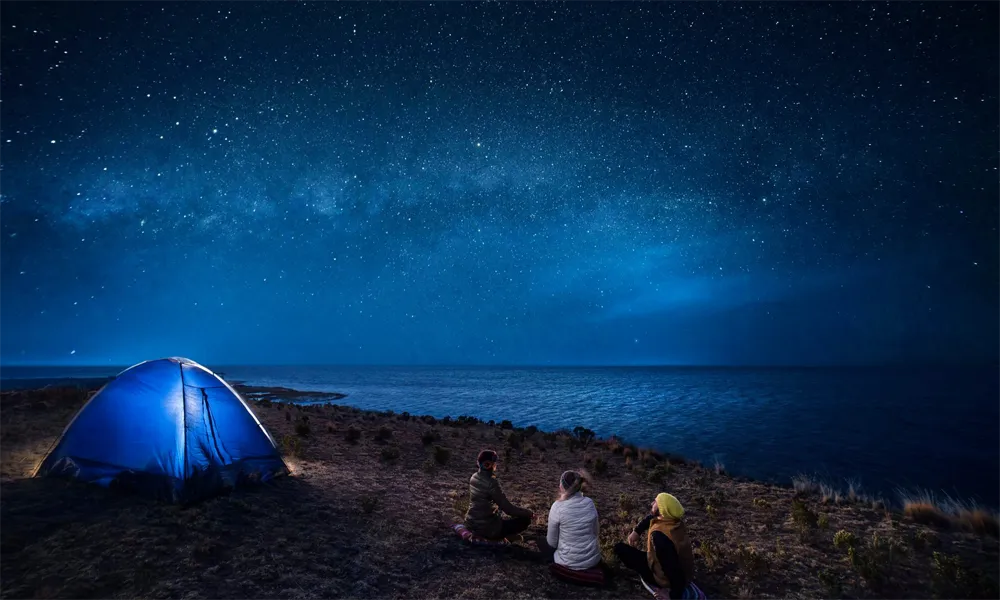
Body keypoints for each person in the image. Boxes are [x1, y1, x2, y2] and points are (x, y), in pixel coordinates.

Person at [614, 492, 697, 600]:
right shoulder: (674, 521)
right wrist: (637, 531)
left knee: (620, 549)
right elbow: (651, 517)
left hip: (664, 578)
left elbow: (672, 569)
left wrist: (672, 595)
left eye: (656, 502)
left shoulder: (660, 537)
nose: (652, 503)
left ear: (662, 510)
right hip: (685, 573)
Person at [536, 470, 601, 569]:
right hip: (592, 560)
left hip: (567, 561)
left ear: (562, 487)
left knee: (540, 541)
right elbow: (595, 532)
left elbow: (552, 543)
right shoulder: (590, 503)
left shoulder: (557, 506)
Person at [464, 449, 533, 540]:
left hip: (470, 523)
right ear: (490, 464)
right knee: (524, 520)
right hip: (487, 528)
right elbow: (508, 509)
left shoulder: (474, 476)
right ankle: (502, 537)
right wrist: (528, 513)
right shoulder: (491, 483)